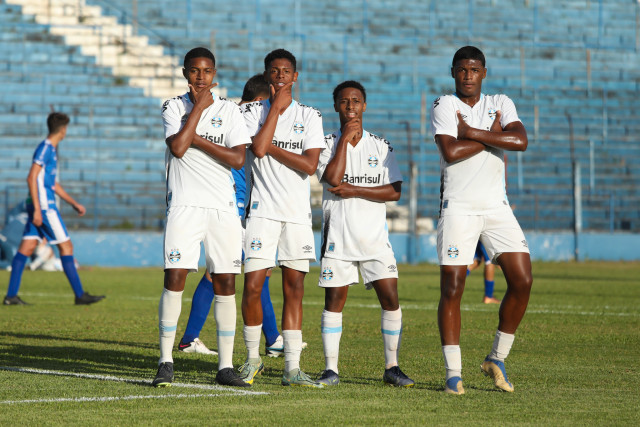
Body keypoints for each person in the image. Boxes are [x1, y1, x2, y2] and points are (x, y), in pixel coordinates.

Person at [178, 74, 305, 358]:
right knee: (221, 272)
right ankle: (190, 338)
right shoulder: (243, 119)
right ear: (260, 101)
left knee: (254, 271)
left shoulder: (231, 115)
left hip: (241, 206)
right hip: (234, 205)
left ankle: (272, 339)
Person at [431, 46, 533, 395]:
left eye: (474, 70)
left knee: (522, 279)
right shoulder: (445, 104)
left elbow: (519, 140)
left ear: (484, 73)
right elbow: (450, 151)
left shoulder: (501, 102)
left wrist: (471, 133)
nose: (468, 76)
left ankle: (496, 358)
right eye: (462, 69)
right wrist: (491, 135)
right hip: (458, 206)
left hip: (496, 206)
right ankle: (453, 374)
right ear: (453, 72)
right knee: (454, 286)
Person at [153, 47, 251, 388]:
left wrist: (194, 137)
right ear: (185, 73)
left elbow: (238, 158)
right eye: (194, 70)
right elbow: (178, 148)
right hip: (184, 205)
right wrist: (197, 111)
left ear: (214, 73)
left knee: (225, 283)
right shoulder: (173, 106)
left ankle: (224, 367)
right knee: (175, 276)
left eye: (206, 71)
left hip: (222, 208)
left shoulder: (229, 110)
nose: (200, 77)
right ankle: (166, 360)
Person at [315, 81, 415, 388]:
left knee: (391, 298)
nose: (350, 107)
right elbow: (331, 179)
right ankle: (331, 369)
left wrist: (355, 190)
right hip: (339, 240)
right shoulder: (326, 143)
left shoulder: (381, 146)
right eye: (344, 102)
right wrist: (345, 140)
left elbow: (395, 191)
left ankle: (392, 367)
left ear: (364, 106)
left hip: (374, 241)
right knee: (335, 300)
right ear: (336, 107)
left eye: (356, 101)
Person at [239, 49, 325, 388]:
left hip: (297, 215)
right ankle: (252, 360)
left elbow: (308, 165)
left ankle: (292, 367)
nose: (280, 76)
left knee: (295, 288)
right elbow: (256, 149)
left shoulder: (310, 116)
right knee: (252, 285)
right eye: (274, 71)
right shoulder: (249, 111)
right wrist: (274, 108)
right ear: (267, 74)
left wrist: (273, 146)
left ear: (295, 76)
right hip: (261, 211)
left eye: (286, 71)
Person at [3, 112, 104, 306]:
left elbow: (52, 184)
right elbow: (31, 177)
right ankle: (80, 295)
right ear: (63, 130)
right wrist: (39, 210)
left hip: (40, 206)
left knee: (26, 247)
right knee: (66, 246)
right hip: (45, 208)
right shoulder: (45, 148)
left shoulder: (51, 150)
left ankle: (10, 296)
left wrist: (73, 203)